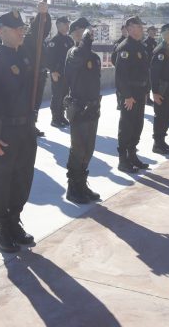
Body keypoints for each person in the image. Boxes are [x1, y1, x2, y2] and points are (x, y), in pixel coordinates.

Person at [0, 7, 46, 253]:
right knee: (3, 180)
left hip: (26, 128)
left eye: (22, 28)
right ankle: (0, 227)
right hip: (3, 132)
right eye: (16, 29)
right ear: (2, 31)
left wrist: (41, 17)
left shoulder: (23, 56)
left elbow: (39, 37)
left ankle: (14, 220)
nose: (21, 32)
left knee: (23, 178)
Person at [62, 18, 102, 204]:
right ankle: (73, 188)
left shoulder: (93, 57)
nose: (88, 35)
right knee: (78, 149)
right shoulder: (73, 53)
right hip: (78, 108)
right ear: (75, 34)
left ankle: (82, 185)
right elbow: (79, 57)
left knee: (89, 149)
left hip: (93, 108)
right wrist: (85, 39)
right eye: (83, 32)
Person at [114, 16, 151, 173]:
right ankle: (123, 160)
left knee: (137, 125)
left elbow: (145, 71)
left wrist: (146, 90)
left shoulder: (139, 46)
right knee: (127, 126)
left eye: (141, 26)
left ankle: (132, 155)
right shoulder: (125, 47)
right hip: (129, 94)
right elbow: (120, 75)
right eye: (138, 26)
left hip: (139, 92)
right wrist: (127, 95)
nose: (141, 29)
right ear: (129, 28)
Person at [22, 3, 52, 137]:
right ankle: (27, 126)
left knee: (36, 103)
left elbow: (46, 28)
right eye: (42, 22)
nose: (44, 26)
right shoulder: (30, 37)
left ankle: (32, 125)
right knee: (29, 103)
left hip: (40, 75)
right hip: (30, 76)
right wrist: (41, 14)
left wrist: (46, 14)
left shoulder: (41, 38)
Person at [150, 23, 169, 155]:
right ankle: (157, 143)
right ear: (166, 33)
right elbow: (154, 73)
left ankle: (162, 141)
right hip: (161, 89)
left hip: (168, 87)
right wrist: (155, 92)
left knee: (167, 115)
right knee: (160, 115)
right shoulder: (160, 50)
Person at [45, 16, 74, 128]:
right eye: (65, 24)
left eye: (68, 24)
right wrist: (53, 71)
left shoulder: (69, 40)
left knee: (65, 96)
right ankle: (55, 118)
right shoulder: (54, 41)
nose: (68, 26)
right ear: (58, 25)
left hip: (67, 74)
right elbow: (48, 58)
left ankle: (62, 116)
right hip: (57, 73)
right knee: (57, 96)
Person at [144, 26, 158, 106]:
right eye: (151, 31)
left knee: (152, 82)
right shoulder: (146, 42)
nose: (153, 32)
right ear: (148, 32)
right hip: (148, 65)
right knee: (147, 83)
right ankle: (147, 99)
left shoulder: (155, 42)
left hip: (154, 66)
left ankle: (149, 98)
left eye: (154, 31)